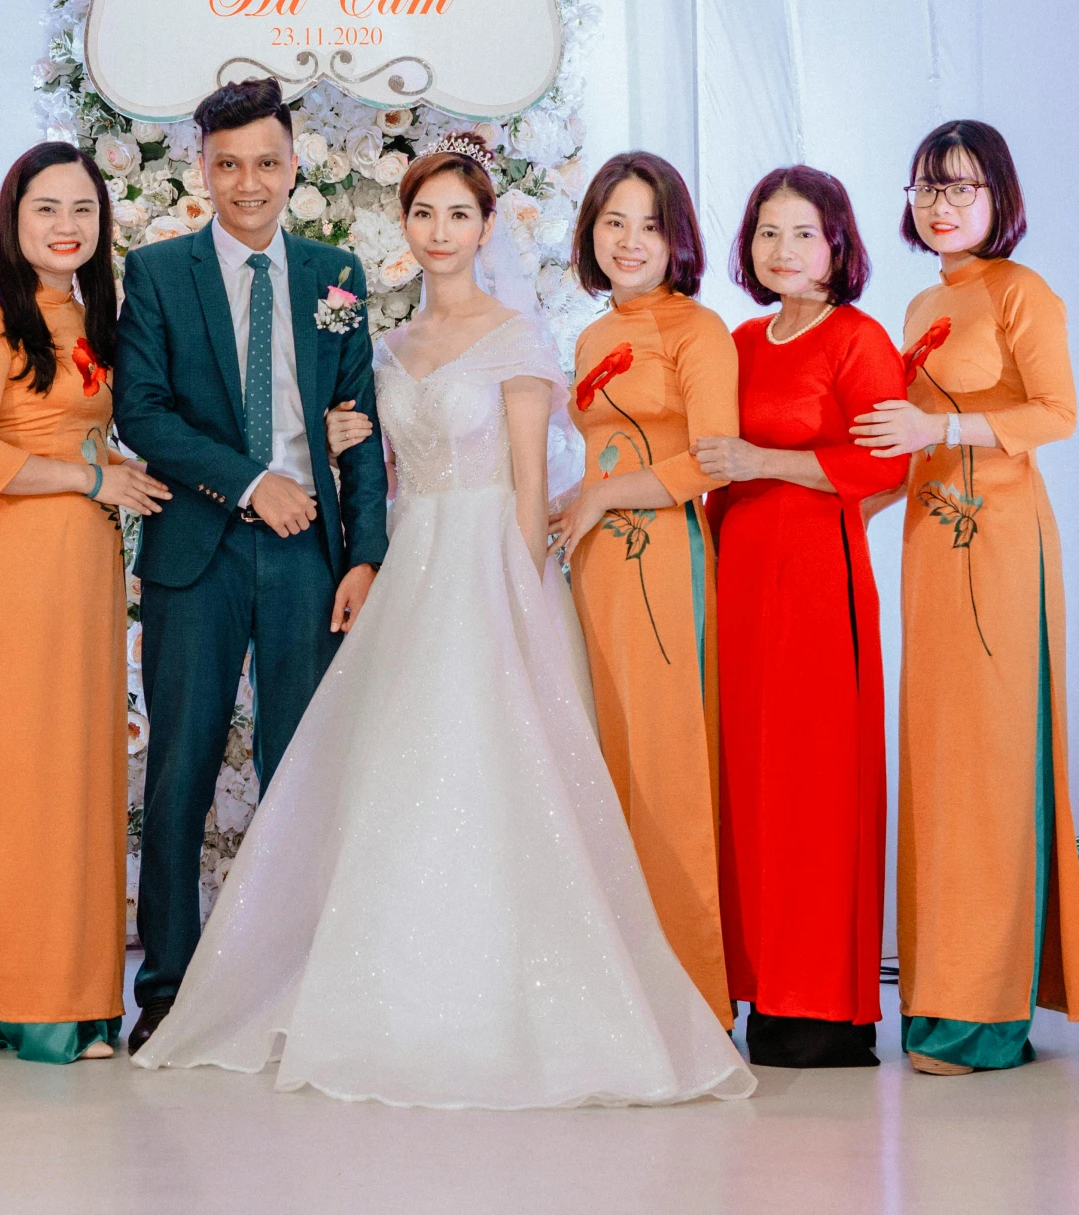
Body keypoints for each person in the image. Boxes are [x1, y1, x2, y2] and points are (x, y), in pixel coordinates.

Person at [134, 142, 754, 1109]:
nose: (440, 232)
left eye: (459, 215)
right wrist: (352, 457)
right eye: (423, 214)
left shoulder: (514, 337)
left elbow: (520, 485)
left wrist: (520, 596)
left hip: (483, 568)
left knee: (490, 766)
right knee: (388, 773)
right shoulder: (384, 346)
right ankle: (376, 976)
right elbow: (373, 460)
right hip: (410, 564)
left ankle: (500, 992)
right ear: (405, 229)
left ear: (485, 227)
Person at [113, 79, 391, 1055]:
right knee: (181, 769)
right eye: (226, 163)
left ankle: (295, 981)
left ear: (292, 166)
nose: (247, 182)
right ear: (201, 169)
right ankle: (169, 985)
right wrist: (248, 482)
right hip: (200, 548)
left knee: (300, 770)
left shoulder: (334, 276)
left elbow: (359, 431)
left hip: (309, 556)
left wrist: (366, 558)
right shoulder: (157, 274)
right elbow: (141, 414)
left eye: (265, 162)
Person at [851, 120, 1079, 1074]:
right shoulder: (921, 304)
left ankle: (985, 1013)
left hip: (999, 547)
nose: (940, 204)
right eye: (925, 187)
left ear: (1000, 197)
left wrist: (941, 421)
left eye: (960, 187)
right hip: (929, 544)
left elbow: (1057, 413)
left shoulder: (1022, 293)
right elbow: (903, 444)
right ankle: (939, 998)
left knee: (991, 768)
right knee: (939, 767)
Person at [0, 142, 170, 1064]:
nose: (66, 225)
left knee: (86, 778)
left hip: (88, 562)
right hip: (20, 558)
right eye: (46, 208)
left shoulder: (91, 312)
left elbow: (90, 432)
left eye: (82, 208)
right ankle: (29, 1004)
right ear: (13, 217)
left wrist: (109, 471)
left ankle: (84, 1003)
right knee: (31, 779)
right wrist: (86, 474)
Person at [693, 167, 906, 1069]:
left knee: (817, 784)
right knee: (748, 783)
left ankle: (821, 1004)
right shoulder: (737, 339)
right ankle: (752, 985)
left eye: (804, 233)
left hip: (818, 580)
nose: (784, 250)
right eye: (768, 233)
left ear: (839, 245)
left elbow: (885, 468)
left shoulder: (858, 340)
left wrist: (762, 459)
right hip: (738, 578)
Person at [547, 151, 739, 1031]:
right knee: (609, 770)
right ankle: (621, 995)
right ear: (590, 231)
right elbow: (603, 457)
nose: (630, 241)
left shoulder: (697, 331)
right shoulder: (590, 336)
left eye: (650, 224)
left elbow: (712, 460)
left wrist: (602, 496)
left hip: (664, 560)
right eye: (613, 222)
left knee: (667, 774)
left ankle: (690, 999)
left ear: (678, 237)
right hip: (597, 572)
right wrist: (571, 503)